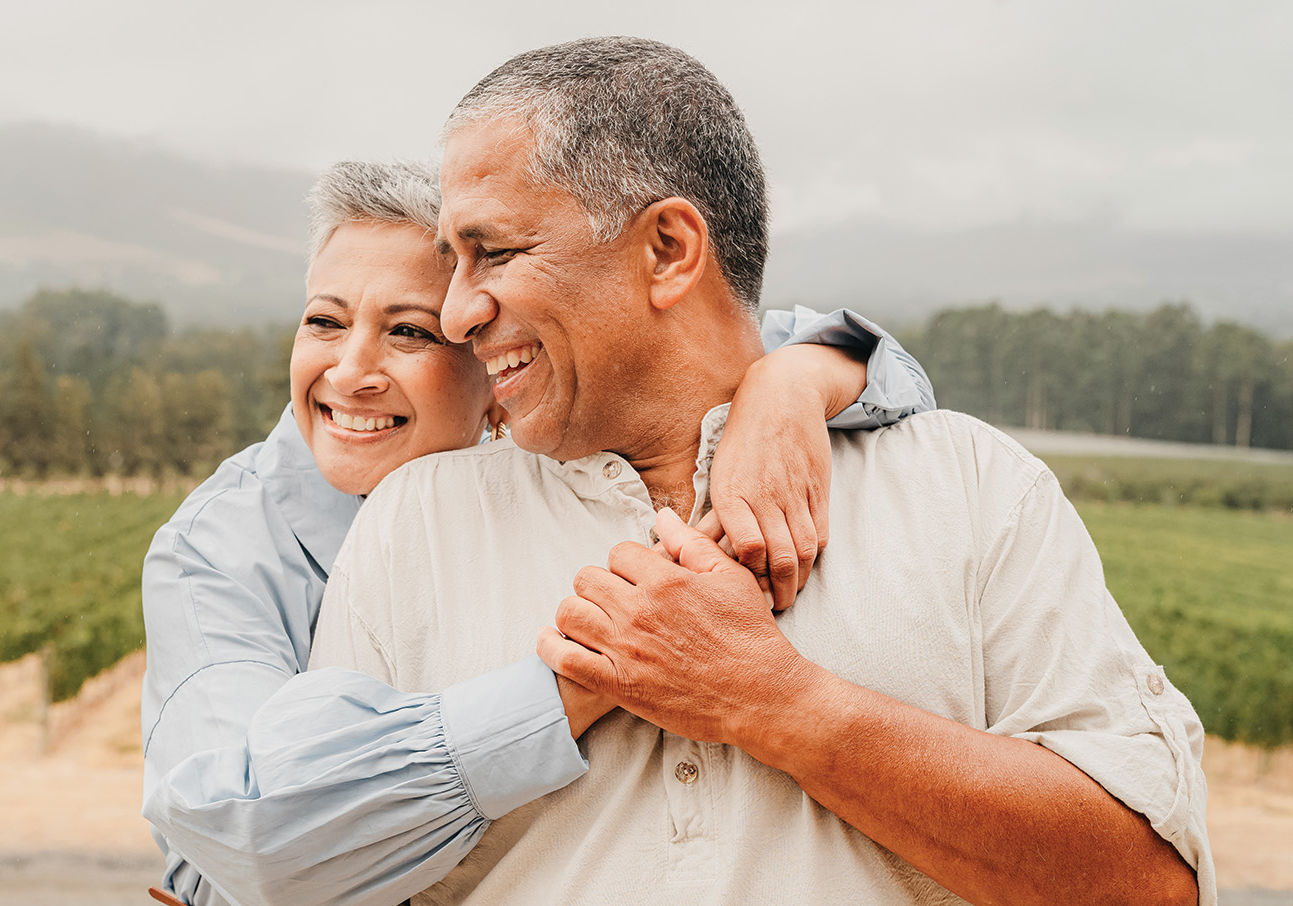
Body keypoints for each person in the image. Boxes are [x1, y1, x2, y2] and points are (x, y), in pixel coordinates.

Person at [308, 37, 1213, 906]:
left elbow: (1149, 885)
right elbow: (317, 870)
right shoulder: (412, 523)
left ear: (668, 249)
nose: (459, 312)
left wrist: (778, 702)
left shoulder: (972, 486)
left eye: (493, 253)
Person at [141, 158, 936, 905]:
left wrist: (794, 380)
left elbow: (826, 349)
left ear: (498, 357)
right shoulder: (223, 547)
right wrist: (593, 671)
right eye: (323, 321)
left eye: (409, 333)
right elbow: (241, 833)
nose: (350, 371)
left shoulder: (557, 463)